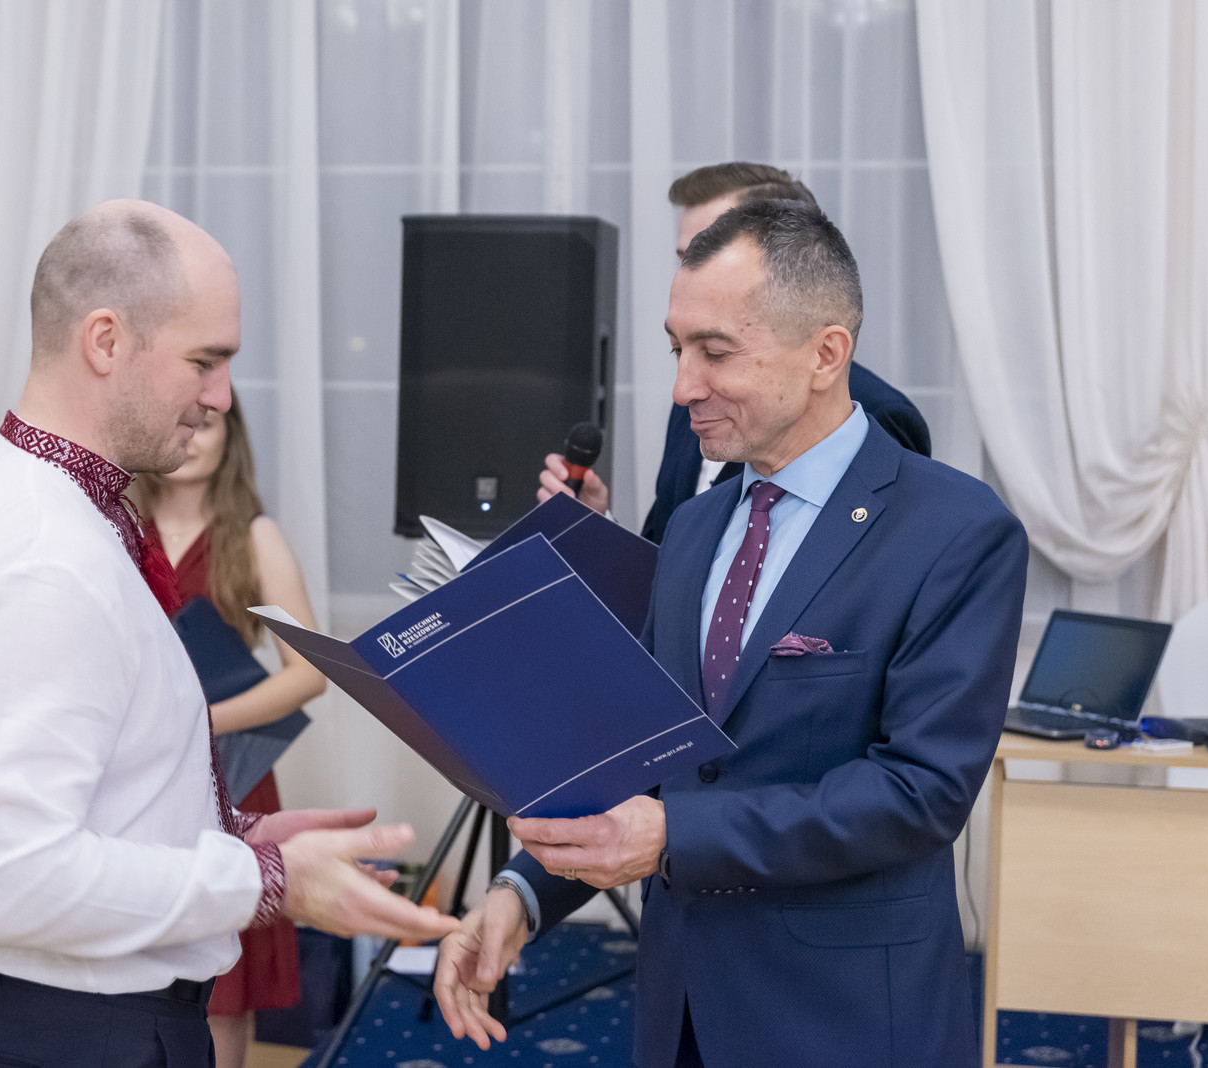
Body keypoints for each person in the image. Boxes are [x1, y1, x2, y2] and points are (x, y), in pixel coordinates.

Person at [435, 199, 1028, 1067]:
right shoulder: (694, 528)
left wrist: (674, 835)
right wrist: (521, 893)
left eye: (715, 353)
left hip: (845, 1018)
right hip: (679, 1009)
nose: (683, 387)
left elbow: (919, 793)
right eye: (677, 350)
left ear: (826, 354)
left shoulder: (956, 531)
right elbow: (644, 757)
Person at [0, 199, 458, 1068]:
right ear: (105, 341)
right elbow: (0, 877)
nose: (220, 398)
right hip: (68, 1036)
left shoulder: (42, 501)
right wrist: (265, 880)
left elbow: (89, 792)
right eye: (204, 360)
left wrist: (231, 834)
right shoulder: (45, 557)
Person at [538, 162, 931, 544]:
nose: (684, 390)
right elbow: (668, 562)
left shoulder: (879, 419)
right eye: (686, 257)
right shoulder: (693, 399)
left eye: (714, 249)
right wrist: (598, 529)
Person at [130, 391, 322, 1068]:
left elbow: (309, 674)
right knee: (136, 967)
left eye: (207, 423)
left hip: (229, 781)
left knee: (223, 990)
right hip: (136, 773)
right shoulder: (119, 524)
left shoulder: (256, 536)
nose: (192, 433)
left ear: (229, 438)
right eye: (180, 418)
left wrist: (202, 721)